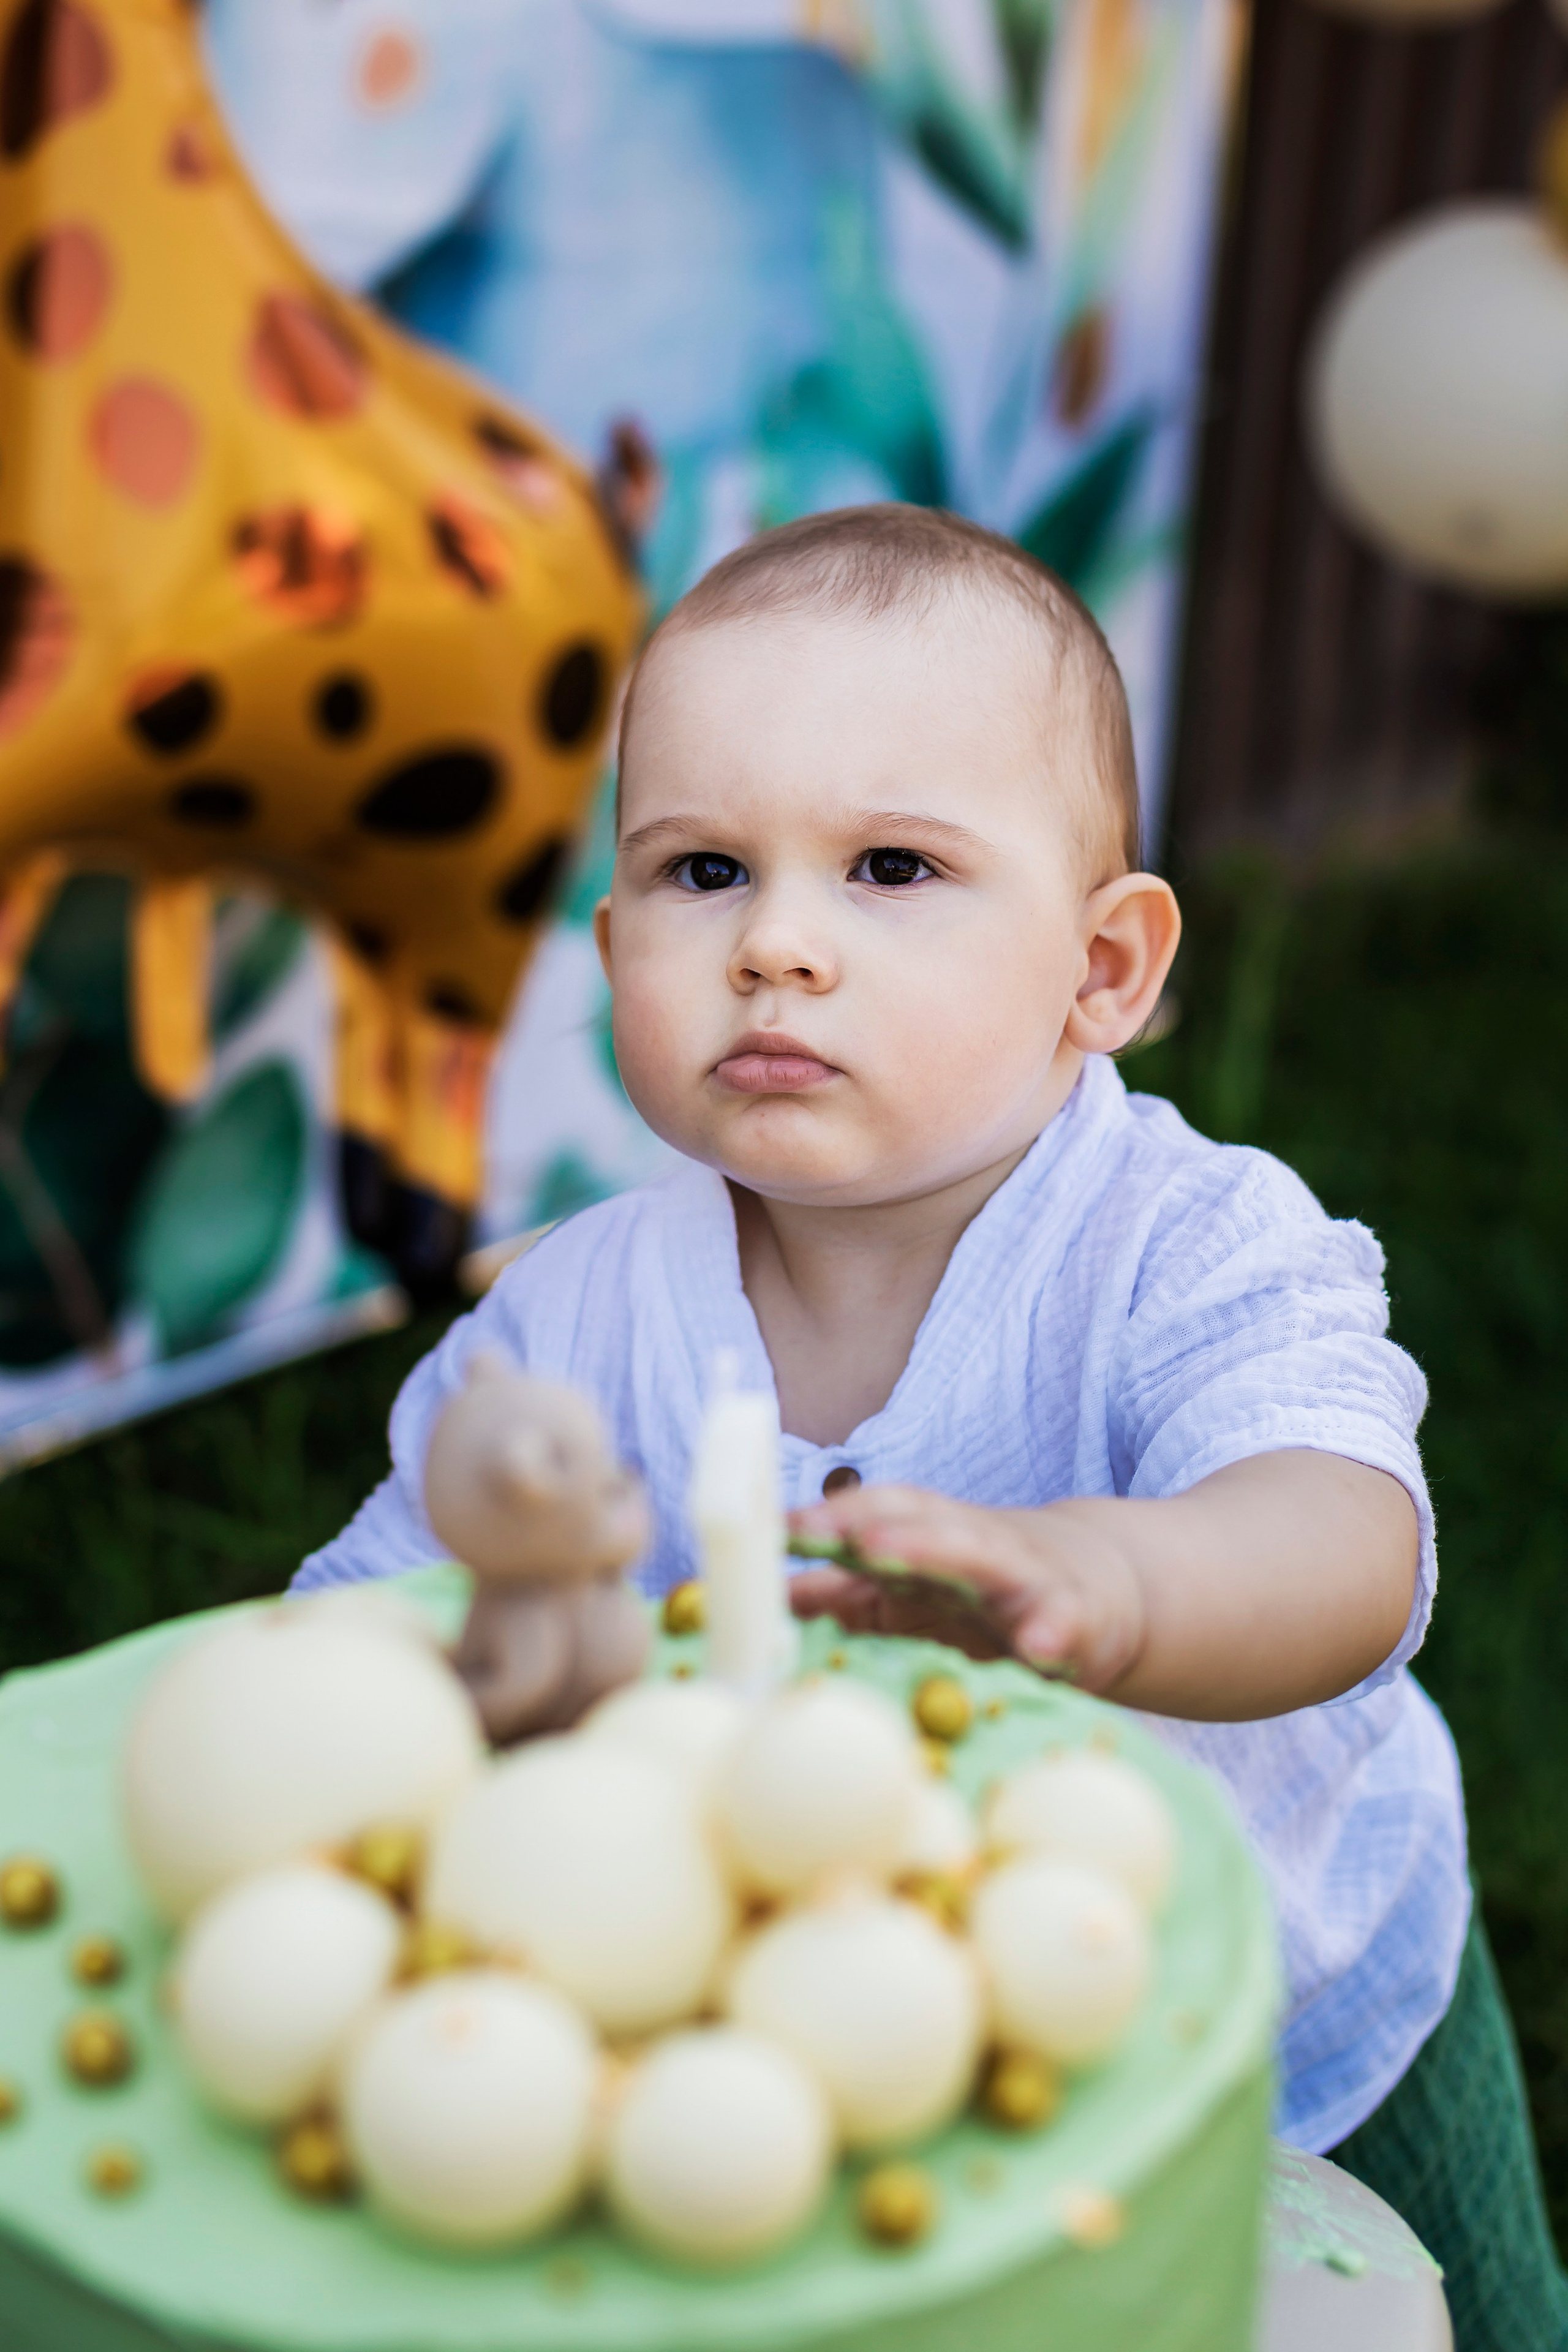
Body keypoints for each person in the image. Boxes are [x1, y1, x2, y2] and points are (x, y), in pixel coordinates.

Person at [298, 503, 1563, 2350]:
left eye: (889, 869)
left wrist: (1108, 1581)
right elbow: (381, 1610)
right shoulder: (579, 1312)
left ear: (1105, 969)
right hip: (844, 2049)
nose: (777, 946)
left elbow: (1343, 1532)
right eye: (702, 872)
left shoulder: (1181, 1246)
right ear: (610, 942)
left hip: (1290, 1997)